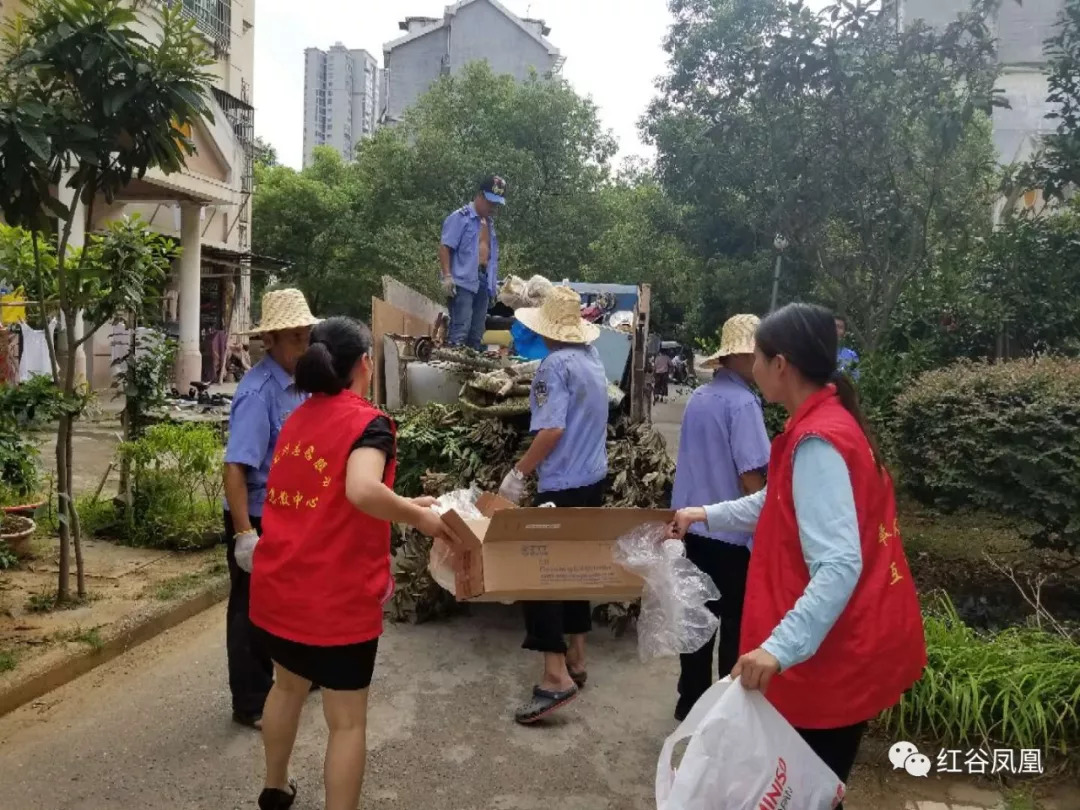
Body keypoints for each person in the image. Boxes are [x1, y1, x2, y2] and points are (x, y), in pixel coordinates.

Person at [671, 303, 926, 801]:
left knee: (805, 788)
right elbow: (776, 500)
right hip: (833, 645)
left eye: (759, 358)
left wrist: (778, 648)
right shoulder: (821, 424)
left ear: (780, 365)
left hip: (828, 660)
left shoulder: (818, 441)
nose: (756, 368)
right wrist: (705, 513)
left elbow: (838, 564)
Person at [249, 317, 460, 810]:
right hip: (334, 602)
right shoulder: (368, 423)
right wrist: (421, 520)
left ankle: (274, 790)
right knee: (346, 722)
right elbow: (361, 489)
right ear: (364, 364)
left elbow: (332, 494)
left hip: (280, 589)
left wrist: (405, 502)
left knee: (286, 688)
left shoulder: (300, 417)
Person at [497, 286, 608, 725]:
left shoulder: (552, 367)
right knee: (576, 567)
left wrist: (519, 473)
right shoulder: (593, 363)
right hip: (593, 481)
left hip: (559, 486)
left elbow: (551, 430)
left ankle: (554, 675)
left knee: (538, 574)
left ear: (547, 331)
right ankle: (578, 658)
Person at [223, 288, 319, 729]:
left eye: (306, 337)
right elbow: (235, 469)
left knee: (292, 600)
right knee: (250, 610)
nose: (304, 346)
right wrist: (245, 534)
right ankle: (251, 699)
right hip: (257, 513)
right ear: (273, 340)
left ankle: (295, 675)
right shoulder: (258, 393)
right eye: (296, 338)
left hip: (289, 511)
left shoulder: (299, 387)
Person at [671, 314, 770, 722]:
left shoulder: (700, 397)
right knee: (733, 626)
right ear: (743, 357)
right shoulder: (743, 403)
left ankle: (689, 702)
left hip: (694, 526)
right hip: (730, 531)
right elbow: (751, 477)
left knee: (696, 620)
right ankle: (727, 712)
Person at [439, 175, 507, 349]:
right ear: (480, 195)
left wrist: (493, 285)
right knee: (461, 329)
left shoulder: (489, 224)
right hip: (462, 281)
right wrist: (447, 276)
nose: (493, 207)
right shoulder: (460, 217)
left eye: (496, 204)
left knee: (477, 334)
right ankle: (453, 368)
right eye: (490, 202)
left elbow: (489, 256)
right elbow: (445, 246)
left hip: (482, 281)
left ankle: (471, 374)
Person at [836, 315, 860, 379]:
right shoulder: (818, 352)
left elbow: (856, 381)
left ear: (845, 333)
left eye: (840, 327)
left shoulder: (852, 355)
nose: (836, 330)